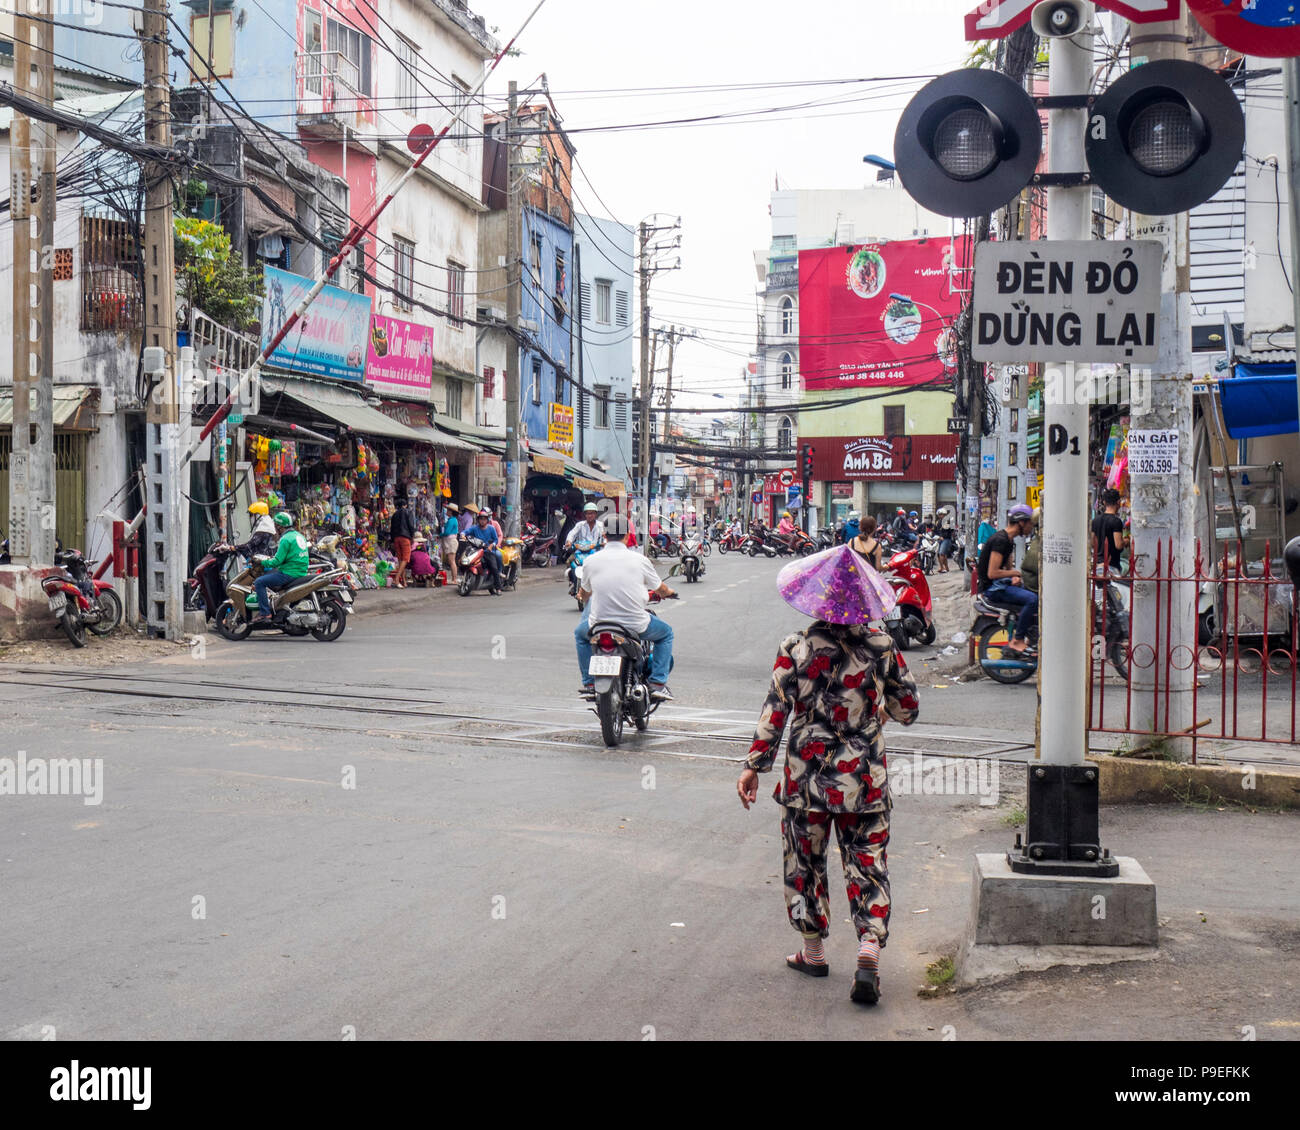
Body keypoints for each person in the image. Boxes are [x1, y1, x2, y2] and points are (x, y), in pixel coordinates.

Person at [736, 544, 919, 1005]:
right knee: (867, 865)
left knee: (804, 864)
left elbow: (775, 712)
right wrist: (874, 701)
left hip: (805, 780)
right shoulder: (882, 646)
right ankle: (869, 947)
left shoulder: (795, 647)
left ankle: (812, 951)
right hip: (865, 781)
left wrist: (754, 766)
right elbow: (908, 710)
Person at [574, 513, 676, 700]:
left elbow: (585, 592)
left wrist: (583, 595)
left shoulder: (590, 561)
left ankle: (589, 683)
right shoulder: (640, 560)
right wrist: (669, 592)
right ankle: (658, 684)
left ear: (604, 536)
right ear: (628, 536)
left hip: (598, 625)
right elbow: (660, 589)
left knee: (580, 635)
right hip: (635, 625)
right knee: (666, 634)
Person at [976, 504, 1038, 654]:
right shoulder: (1001, 540)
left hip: (1000, 585)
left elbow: (1006, 569)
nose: (1032, 528)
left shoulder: (1009, 540)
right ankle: (1018, 639)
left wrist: (1012, 577)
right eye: (1030, 524)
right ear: (1021, 522)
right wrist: (1015, 574)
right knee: (1032, 600)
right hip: (993, 589)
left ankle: (1031, 637)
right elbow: (992, 573)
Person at [253, 512, 309, 622]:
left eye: (275, 526)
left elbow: (276, 562)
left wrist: (262, 563)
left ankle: (265, 613)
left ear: (279, 526)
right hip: (301, 572)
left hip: (289, 573)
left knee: (259, 582)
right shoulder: (299, 536)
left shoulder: (285, 539)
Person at [464, 507, 503, 594]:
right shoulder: (475, 528)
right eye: (481, 519)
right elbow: (466, 531)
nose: (482, 521)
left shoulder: (491, 528)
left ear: (487, 520)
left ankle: (498, 588)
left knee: (494, 567)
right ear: (478, 520)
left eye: (484, 519)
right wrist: (462, 535)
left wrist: (491, 546)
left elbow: (496, 539)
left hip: (487, 552)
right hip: (476, 551)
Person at [1092, 488, 1126, 573]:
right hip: (1111, 566)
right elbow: (1118, 545)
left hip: (1098, 565)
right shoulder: (1116, 521)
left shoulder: (1095, 520)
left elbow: (1092, 542)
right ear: (1118, 502)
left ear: (1104, 502)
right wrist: (1126, 541)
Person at [390, 495, 416, 588]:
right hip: (405, 537)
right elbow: (411, 526)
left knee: (401, 560)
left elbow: (392, 529)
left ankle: (404, 581)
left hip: (396, 538)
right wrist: (412, 537)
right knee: (405, 559)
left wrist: (392, 540)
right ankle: (397, 579)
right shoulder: (408, 512)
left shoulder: (394, 515)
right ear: (405, 505)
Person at [440, 504, 461, 582]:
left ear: (451, 512)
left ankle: (454, 579)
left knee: (452, 561)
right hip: (451, 541)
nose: (447, 511)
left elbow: (447, 532)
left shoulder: (451, 520)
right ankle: (454, 578)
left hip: (451, 542)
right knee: (452, 561)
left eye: (448, 510)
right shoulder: (452, 519)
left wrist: (440, 535)